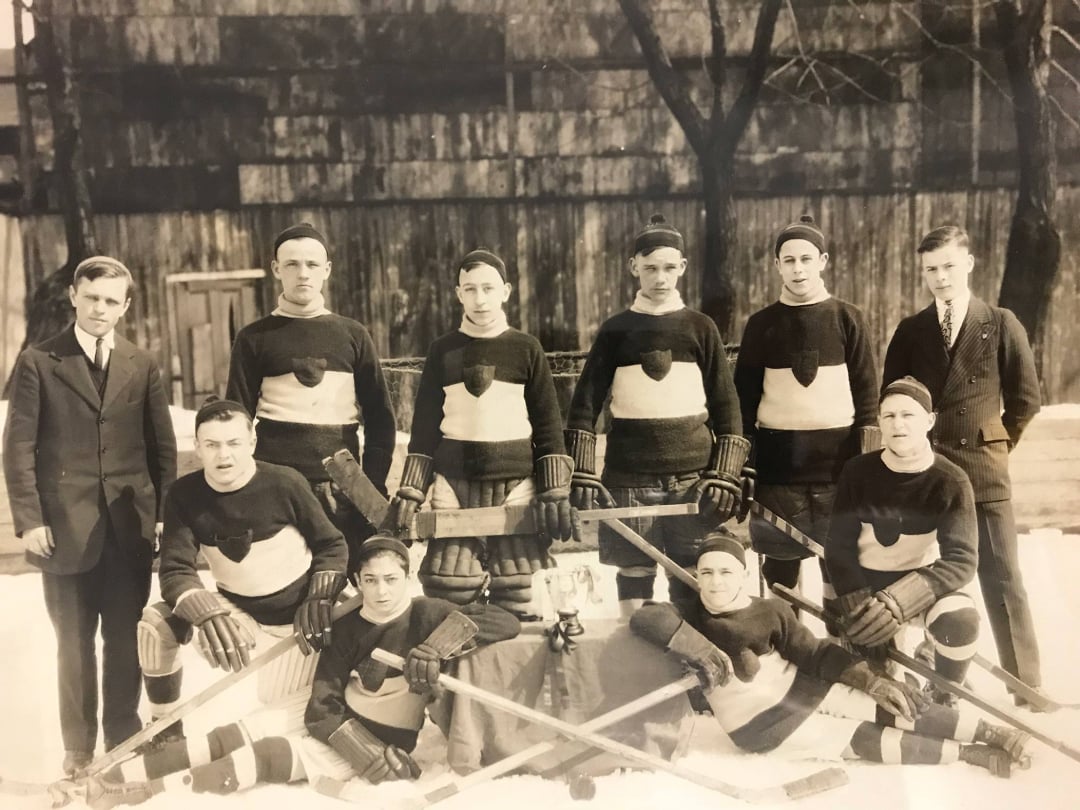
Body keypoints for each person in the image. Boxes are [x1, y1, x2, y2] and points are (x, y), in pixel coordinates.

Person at [79, 534, 520, 806]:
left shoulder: (429, 612)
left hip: (383, 731)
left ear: (408, 577)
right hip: (332, 717)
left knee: (266, 758)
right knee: (226, 737)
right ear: (358, 582)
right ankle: (107, 780)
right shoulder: (349, 623)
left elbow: (505, 621)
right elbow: (322, 703)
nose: (381, 591)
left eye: (391, 579)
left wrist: (435, 646)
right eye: (370, 580)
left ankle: (143, 796)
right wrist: (355, 746)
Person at [630, 534, 1031, 778]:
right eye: (706, 573)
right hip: (762, 727)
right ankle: (969, 754)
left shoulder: (769, 610)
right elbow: (645, 618)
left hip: (802, 690)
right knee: (861, 739)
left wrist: (872, 680)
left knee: (887, 703)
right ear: (696, 577)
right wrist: (691, 641)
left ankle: (989, 733)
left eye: (725, 572)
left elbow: (816, 653)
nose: (715, 582)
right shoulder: (691, 615)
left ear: (742, 574)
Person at [2, 256, 177, 775]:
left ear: (125, 307)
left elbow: (161, 446)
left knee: (125, 638)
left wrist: (163, 515)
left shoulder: (141, 364)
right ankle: (77, 749)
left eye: (111, 300)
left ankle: (122, 735)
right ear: (74, 297)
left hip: (129, 530)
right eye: (92, 297)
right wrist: (31, 520)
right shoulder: (38, 361)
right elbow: (18, 449)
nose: (100, 308)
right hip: (62, 532)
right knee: (73, 645)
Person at [881, 225, 1044, 708]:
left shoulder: (1000, 322)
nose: (940, 277)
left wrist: (994, 441)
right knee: (925, 572)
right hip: (925, 471)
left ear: (969, 263)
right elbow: (893, 398)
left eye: (949, 265)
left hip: (984, 469)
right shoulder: (911, 331)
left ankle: (1026, 686)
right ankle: (938, 677)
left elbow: (1026, 399)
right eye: (931, 269)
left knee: (1002, 576)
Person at [137, 397, 349, 744]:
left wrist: (321, 594)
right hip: (239, 613)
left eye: (234, 443)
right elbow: (175, 569)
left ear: (252, 442)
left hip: (300, 618)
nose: (224, 455)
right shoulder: (184, 494)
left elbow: (332, 545)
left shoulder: (285, 483)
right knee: (155, 626)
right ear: (197, 448)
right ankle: (165, 732)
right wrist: (204, 611)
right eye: (212, 445)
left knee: (285, 720)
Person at [565, 214, 746, 617]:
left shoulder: (701, 328)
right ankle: (637, 669)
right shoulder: (615, 331)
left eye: (668, 268)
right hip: (629, 479)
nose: (660, 278)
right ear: (633, 268)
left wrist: (725, 473)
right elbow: (583, 408)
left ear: (682, 267)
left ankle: (698, 661)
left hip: (693, 480)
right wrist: (582, 471)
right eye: (649, 268)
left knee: (692, 577)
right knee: (633, 574)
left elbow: (726, 407)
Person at [383, 248, 574, 618]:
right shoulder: (443, 351)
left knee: (519, 585)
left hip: (516, 484)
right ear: (458, 294)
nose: (480, 298)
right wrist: (412, 489)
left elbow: (548, 425)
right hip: (454, 484)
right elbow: (423, 430)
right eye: (470, 289)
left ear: (506, 291)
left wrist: (554, 489)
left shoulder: (526, 348)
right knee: (449, 584)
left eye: (488, 288)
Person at [227, 221, 397, 577]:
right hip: (275, 487)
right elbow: (236, 421)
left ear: (326, 271)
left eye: (311, 265)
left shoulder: (352, 334)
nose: (302, 273)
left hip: (343, 490)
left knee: (341, 586)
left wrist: (371, 485)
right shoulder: (254, 338)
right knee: (281, 583)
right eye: (291, 264)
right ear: (276, 269)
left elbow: (381, 419)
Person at [734, 215, 878, 598]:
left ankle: (837, 650)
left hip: (839, 476)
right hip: (778, 477)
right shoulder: (761, 325)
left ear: (823, 261)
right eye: (789, 260)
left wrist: (867, 465)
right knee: (781, 578)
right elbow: (744, 401)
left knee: (842, 572)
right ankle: (789, 651)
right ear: (777, 265)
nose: (798, 269)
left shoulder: (848, 319)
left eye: (806, 259)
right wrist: (743, 460)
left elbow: (867, 396)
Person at [825, 377, 980, 708]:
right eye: (889, 416)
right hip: (868, 593)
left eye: (908, 415)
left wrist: (903, 599)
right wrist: (856, 601)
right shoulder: (857, 472)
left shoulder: (950, 480)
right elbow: (838, 546)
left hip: (919, 587)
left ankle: (946, 688)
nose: (898, 424)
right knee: (881, 689)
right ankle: (899, 663)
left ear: (929, 420)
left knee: (961, 620)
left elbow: (962, 559)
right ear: (879, 421)